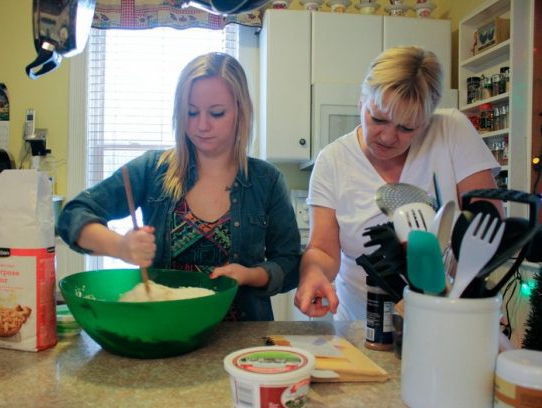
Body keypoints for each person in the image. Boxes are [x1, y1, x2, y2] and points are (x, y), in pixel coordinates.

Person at [58, 52, 300, 321]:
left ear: (240, 112)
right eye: (191, 112)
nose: (202, 125)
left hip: (241, 343)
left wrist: (251, 275)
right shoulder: (152, 169)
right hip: (164, 333)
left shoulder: (267, 180)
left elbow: (290, 265)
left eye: (217, 113)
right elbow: (72, 216)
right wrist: (121, 247)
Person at [294, 46, 500, 321]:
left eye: (407, 128)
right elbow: (322, 249)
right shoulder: (332, 161)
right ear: (361, 102)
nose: (388, 137)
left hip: (449, 320)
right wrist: (313, 273)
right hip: (362, 326)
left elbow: (485, 221)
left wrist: (468, 281)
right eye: (378, 119)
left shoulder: (452, 130)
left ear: (427, 121)